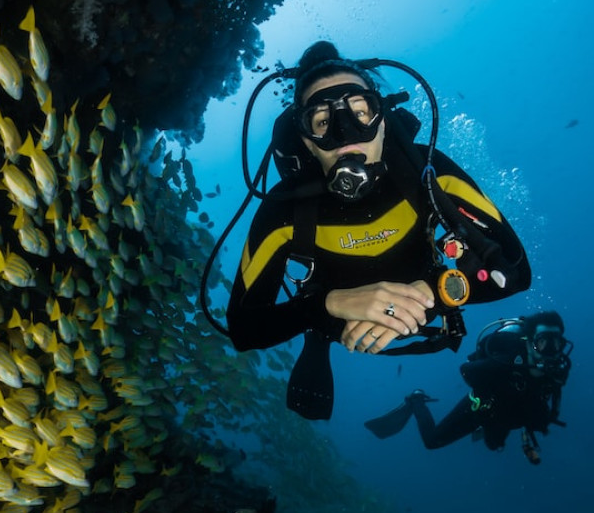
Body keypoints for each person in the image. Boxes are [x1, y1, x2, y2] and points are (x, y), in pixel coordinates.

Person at [224, 41, 531, 419]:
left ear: (382, 120)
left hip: (429, 297)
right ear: (306, 140)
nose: (345, 133)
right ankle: (317, 337)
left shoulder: (429, 173)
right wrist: (327, 305)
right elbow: (243, 328)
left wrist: (434, 291)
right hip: (333, 320)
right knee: (317, 325)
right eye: (322, 122)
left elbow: (516, 270)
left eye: (360, 112)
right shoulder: (284, 209)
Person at [364, 311, 572, 465]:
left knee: (494, 446)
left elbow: (550, 402)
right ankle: (416, 399)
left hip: (511, 414)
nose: (551, 351)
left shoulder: (557, 371)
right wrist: (484, 400)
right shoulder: (508, 359)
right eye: (544, 342)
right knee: (432, 441)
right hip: (481, 410)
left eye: (557, 344)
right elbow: (467, 370)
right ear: (529, 342)